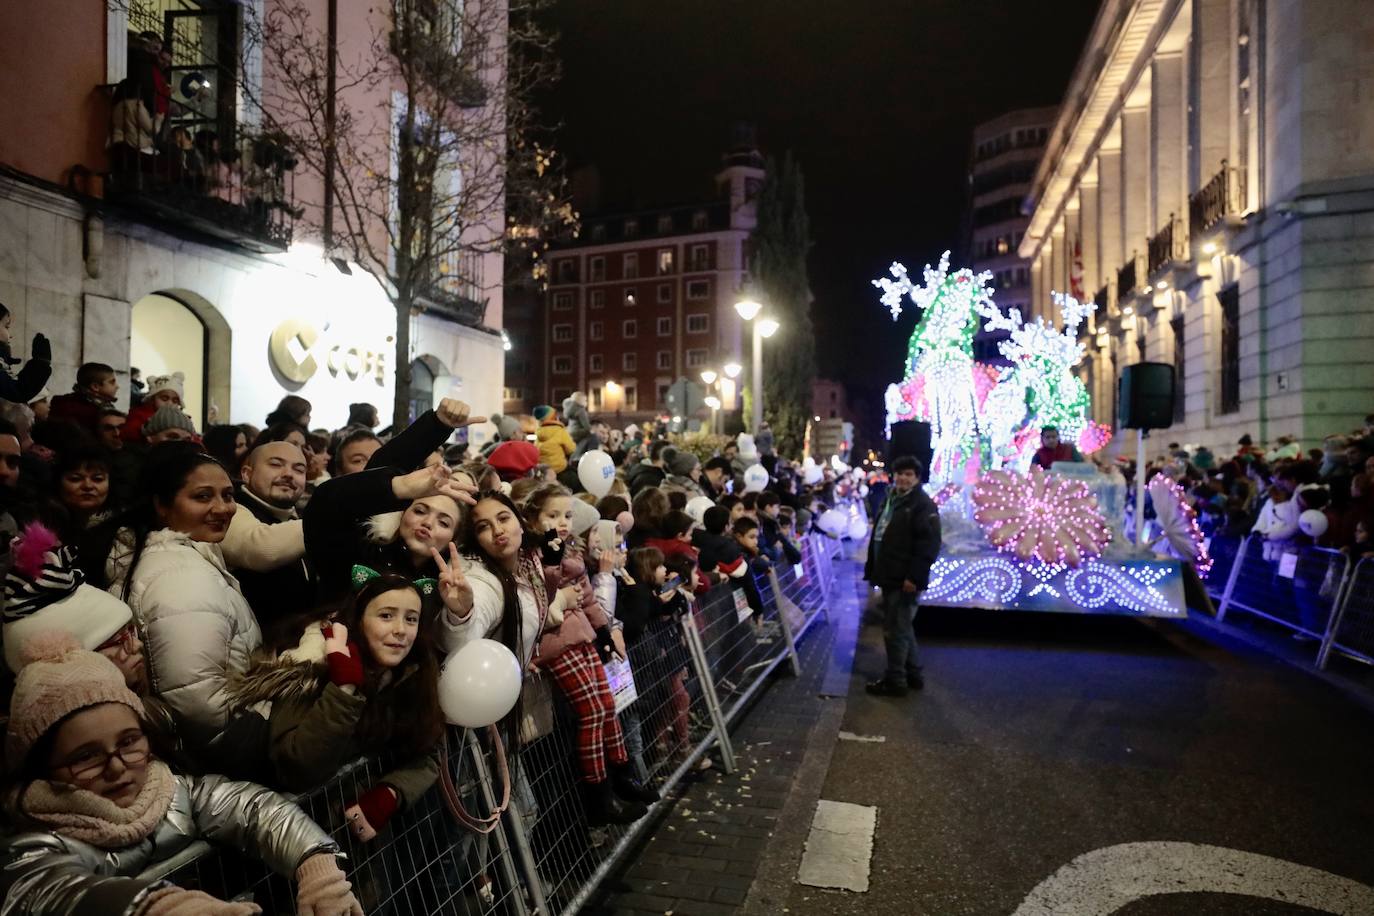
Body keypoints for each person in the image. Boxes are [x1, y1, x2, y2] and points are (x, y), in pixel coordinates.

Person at [0, 634, 363, 915]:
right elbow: (50, 890)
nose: (116, 766)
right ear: (42, 766)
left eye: (129, 741)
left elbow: (251, 808)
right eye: (86, 757)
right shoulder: (34, 842)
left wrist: (314, 861)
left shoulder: (172, 790)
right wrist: (159, 907)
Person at [228, 574, 442, 843]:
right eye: (386, 616)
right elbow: (297, 768)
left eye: (411, 619)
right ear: (358, 620)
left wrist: (391, 792)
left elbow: (430, 747)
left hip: (353, 838)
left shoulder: (410, 674)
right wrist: (344, 691)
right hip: (293, 839)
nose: (401, 630)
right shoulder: (309, 667)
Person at [103, 445, 263, 760]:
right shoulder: (180, 577)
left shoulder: (188, 557)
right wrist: (261, 736)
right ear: (161, 505)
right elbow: (195, 703)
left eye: (228, 495)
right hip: (219, 757)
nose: (222, 508)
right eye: (202, 497)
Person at [520, 483, 656, 821]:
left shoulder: (568, 548)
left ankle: (622, 776)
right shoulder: (531, 554)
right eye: (553, 515)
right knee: (592, 712)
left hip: (580, 632)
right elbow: (542, 596)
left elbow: (587, 595)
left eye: (566, 514)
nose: (562, 522)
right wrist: (552, 563)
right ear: (533, 518)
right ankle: (599, 795)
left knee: (608, 705)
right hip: (556, 642)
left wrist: (605, 630)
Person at [864, 455, 941, 697]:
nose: (903, 478)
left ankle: (895, 681)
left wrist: (914, 577)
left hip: (904, 577)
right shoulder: (892, 498)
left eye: (909, 474)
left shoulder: (922, 504)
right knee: (903, 626)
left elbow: (929, 544)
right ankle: (914, 673)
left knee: (895, 630)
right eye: (900, 473)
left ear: (917, 478)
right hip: (889, 573)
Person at [221, 440, 312, 640]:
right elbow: (261, 548)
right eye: (276, 464)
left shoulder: (297, 518)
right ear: (247, 473)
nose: (288, 474)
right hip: (256, 655)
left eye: (299, 469)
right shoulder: (230, 510)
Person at [48, 363, 119, 434]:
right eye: (112, 382)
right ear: (95, 387)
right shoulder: (91, 413)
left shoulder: (64, 402)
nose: (117, 386)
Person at [119, 372, 184, 444]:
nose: (169, 403)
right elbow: (128, 433)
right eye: (164, 399)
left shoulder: (182, 420)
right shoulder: (139, 415)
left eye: (175, 401)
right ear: (152, 399)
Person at [534, 404, 575, 473]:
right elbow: (571, 449)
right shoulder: (560, 431)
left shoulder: (539, 434)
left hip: (544, 470)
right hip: (559, 469)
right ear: (553, 418)